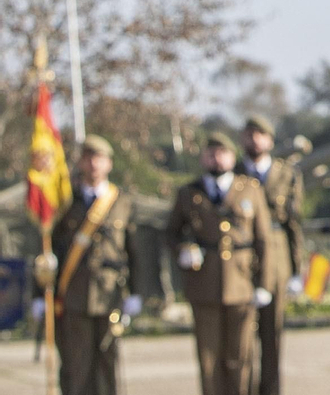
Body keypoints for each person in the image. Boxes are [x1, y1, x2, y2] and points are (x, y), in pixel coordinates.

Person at [167, 131, 272, 395]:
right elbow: (171, 233)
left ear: (232, 156)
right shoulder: (189, 193)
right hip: (204, 286)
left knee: (240, 358)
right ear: (203, 158)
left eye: (222, 153)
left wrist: (264, 284)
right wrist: (183, 250)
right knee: (209, 360)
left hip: (241, 283)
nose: (216, 159)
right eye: (211, 153)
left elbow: (263, 239)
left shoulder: (249, 189)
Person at [37, 134, 141, 395]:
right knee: (76, 366)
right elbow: (48, 251)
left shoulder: (122, 202)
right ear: (81, 163)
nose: (93, 164)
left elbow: (135, 252)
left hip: (109, 294)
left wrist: (136, 293)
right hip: (73, 296)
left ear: (109, 164)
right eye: (88, 158)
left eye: (99, 158)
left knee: (107, 364)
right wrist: (39, 294)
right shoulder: (64, 202)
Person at [240, 115, 303, 395]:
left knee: (272, 334)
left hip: (276, 252)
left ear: (270, 140)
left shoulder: (287, 174)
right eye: (250, 134)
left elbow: (294, 224)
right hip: (242, 252)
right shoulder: (235, 171)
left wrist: (295, 269)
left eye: (260, 134)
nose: (255, 140)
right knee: (241, 336)